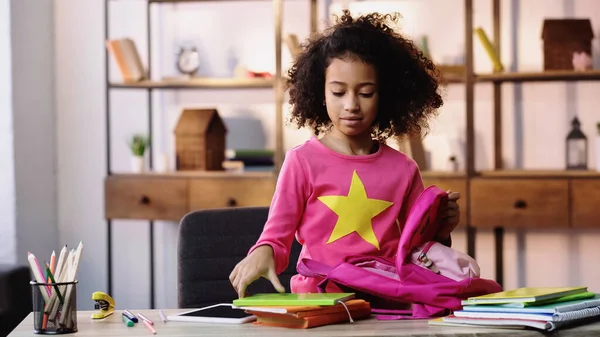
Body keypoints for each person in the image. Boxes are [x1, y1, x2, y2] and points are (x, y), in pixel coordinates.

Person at [229, 10, 460, 298]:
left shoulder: (403, 168)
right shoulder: (302, 162)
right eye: (338, 93)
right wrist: (261, 253)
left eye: (365, 93)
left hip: (385, 299)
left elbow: (416, 250)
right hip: (320, 298)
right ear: (320, 92)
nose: (351, 105)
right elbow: (276, 237)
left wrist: (441, 229)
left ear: (386, 95)